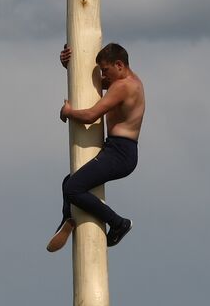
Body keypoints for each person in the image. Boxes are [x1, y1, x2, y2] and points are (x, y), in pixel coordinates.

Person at [48, 42, 145, 252]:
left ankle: (119, 223)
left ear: (119, 65)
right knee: (70, 180)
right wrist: (70, 66)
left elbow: (91, 115)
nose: (104, 76)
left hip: (121, 152)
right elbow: (92, 84)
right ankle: (69, 219)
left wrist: (68, 112)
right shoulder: (127, 81)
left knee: (73, 188)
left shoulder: (123, 86)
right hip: (117, 149)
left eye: (106, 70)